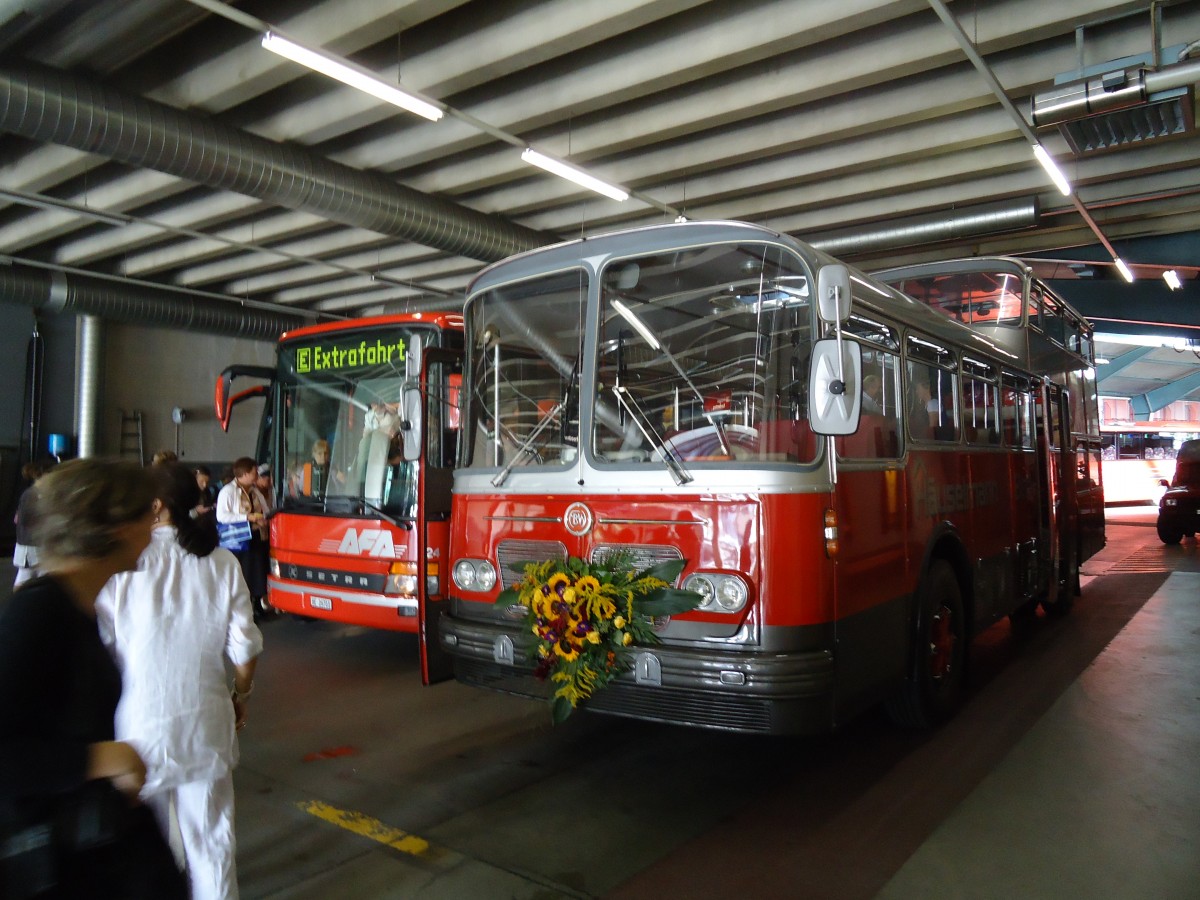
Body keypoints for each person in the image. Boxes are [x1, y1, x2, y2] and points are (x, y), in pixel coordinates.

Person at [0, 457, 187, 898]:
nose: (155, 525)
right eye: (147, 513)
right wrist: (103, 758)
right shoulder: (40, 614)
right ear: (117, 526)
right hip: (64, 861)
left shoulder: (76, 606)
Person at [97, 462, 263, 900]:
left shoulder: (122, 564)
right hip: (205, 721)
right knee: (211, 845)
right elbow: (245, 648)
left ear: (156, 505)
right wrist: (240, 695)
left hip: (136, 727)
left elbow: (104, 646)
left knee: (141, 852)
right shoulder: (222, 562)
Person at [216, 457, 270, 613]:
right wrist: (247, 517)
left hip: (257, 537)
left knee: (258, 573)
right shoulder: (228, 491)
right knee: (244, 574)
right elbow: (222, 516)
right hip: (239, 541)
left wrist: (263, 519)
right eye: (254, 473)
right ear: (245, 474)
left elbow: (265, 509)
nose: (256, 476)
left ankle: (258, 606)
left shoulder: (254, 491)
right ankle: (245, 608)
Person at [11, 459, 51, 588]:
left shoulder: (34, 493)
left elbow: (18, 518)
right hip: (31, 545)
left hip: (33, 544)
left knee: (30, 578)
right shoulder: (33, 494)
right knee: (26, 579)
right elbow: (25, 520)